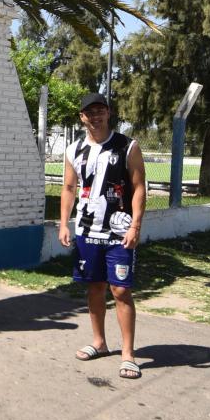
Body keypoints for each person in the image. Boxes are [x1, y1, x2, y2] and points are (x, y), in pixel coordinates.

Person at [59, 91, 146, 379]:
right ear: (82, 117)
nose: (95, 116)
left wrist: (135, 226)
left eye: (100, 111)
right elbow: (69, 188)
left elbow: (139, 187)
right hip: (87, 231)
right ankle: (99, 342)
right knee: (94, 287)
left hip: (119, 232)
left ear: (108, 113)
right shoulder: (74, 150)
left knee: (120, 290)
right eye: (89, 112)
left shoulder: (127, 146)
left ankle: (128, 354)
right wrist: (63, 223)